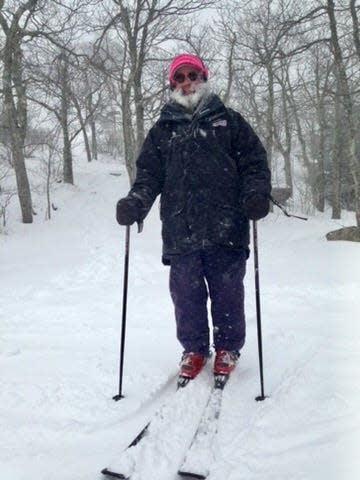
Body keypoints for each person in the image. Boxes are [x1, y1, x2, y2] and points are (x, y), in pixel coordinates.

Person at [116, 53, 271, 384]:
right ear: (173, 84)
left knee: (228, 291)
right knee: (185, 295)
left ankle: (228, 348)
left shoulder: (229, 121)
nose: (187, 82)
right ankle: (195, 349)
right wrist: (135, 203)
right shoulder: (163, 131)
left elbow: (254, 164)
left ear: (203, 77)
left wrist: (256, 194)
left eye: (193, 75)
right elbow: (148, 176)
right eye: (180, 78)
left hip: (226, 225)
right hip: (180, 228)